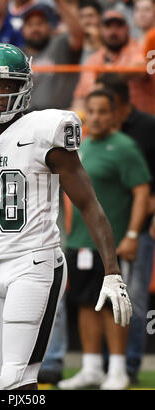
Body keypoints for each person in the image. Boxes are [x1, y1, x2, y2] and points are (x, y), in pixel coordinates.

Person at [0, 43, 132, 391]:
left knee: (16, 378)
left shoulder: (47, 131)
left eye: (8, 84)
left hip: (36, 262)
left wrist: (112, 271)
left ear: (24, 86)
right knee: (5, 382)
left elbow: (89, 204)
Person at [58, 89, 150, 390]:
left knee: (115, 306)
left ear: (114, 115)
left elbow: (142, 192)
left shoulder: (124, 148)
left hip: (114, 244)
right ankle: (92, 367)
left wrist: (133, 235)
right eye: (91, 111)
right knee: (86, 304)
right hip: (80, 243)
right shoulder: (78, 147)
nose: (95, 117)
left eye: (102, 111)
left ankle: (118, 370)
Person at [95, 73, 155, 383]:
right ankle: (105, 366)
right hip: (104, 232)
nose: (96, 114)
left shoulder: (148, 128)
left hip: (138, 229)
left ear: (118, 105)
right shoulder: (96, 136)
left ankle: (129, 366)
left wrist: (142, 225)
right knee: (98, 299)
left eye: (104, 107)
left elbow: (146, 185)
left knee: (135, 300)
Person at [72, 8, 155, 116]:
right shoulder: (92, 60)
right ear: (100, 30)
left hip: (136, 120)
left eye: (118, 26)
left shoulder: (138, 50)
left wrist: (107, 78)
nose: (113, 31)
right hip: (101, 123)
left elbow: (140, 68)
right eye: (108, 26)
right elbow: (80, 97)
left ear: (127, 29)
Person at [21, 2, 83, 111]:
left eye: (40, 23)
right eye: (30, 25)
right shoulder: (19, 54)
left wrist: (61, 3)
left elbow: (78, 34)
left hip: (60, 114)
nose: (35, 29)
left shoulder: (60, 44)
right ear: (23, 30)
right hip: (27, 116)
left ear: (49, 27)